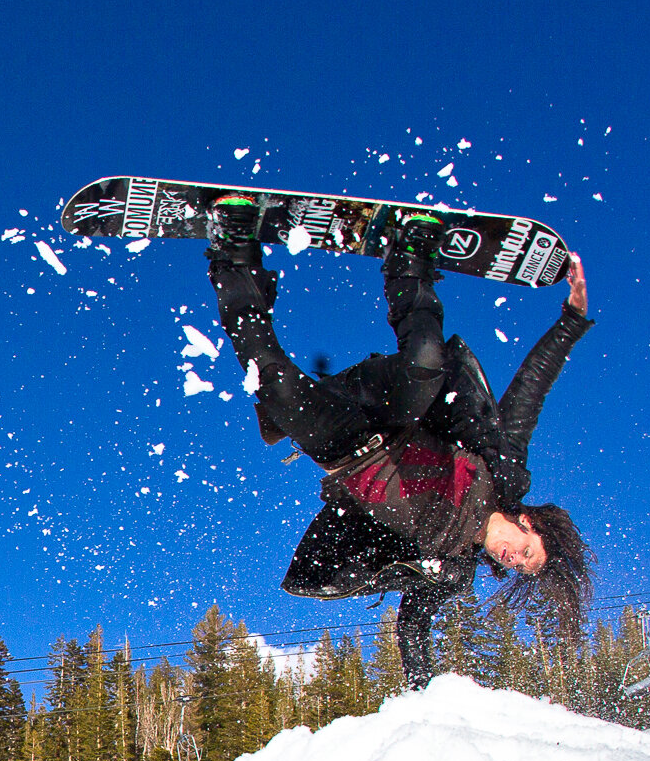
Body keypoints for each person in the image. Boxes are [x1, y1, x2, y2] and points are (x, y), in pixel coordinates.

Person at [203, 197, 595, 690]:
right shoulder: (504, 475)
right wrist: (570, 324)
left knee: (271, 380)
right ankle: (410, 260)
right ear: (529, 523)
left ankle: (234, 253)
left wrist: (424, 698)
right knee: (427, 364)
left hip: (343, 448)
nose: (509, 560)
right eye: (525, 552)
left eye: (515, 567)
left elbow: (413, 627)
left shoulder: (448, 568)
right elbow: (528, 394)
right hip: (392, 409)